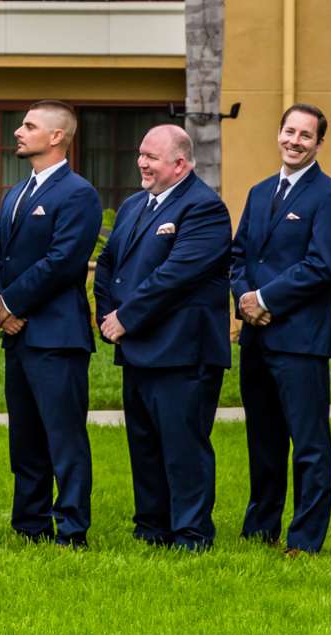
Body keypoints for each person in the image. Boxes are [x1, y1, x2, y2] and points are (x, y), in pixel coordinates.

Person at [95, 123, 230, 551]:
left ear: (181, 163)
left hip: (183, 352)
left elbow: (176, 276)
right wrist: (106, 315)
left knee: (183, 447)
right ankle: (151, 529)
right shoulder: (136, 205)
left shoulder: (205, 209)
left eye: (151, 157)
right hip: (137, 350)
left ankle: (191, 533)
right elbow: (107, 262)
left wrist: (127, 317)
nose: (141, 162)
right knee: (145, 445)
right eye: (141, 154)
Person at [230, 103, 331, 553]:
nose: (294, 141)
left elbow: (323, 266)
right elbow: (239, 255)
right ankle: (260, 528)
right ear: (278, 134)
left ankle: (304, 537)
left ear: (319, 143)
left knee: (308, 444)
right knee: (263, 440)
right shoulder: (261, 192)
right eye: (289, 132)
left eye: (305, 135)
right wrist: (245, 299)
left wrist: (265, 300)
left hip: (300, 340)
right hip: (256, 336)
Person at [0, 100, 102, 547]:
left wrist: (11, 304)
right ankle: (30, 524)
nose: (19, 131)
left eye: (29, 126)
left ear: (57, 136)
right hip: (19, 337)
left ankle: (72, 529)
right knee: (25, 437)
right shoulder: (16, 194)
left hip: (57, 336)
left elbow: (63, 263)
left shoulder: (78, 194)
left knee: (64, 438)